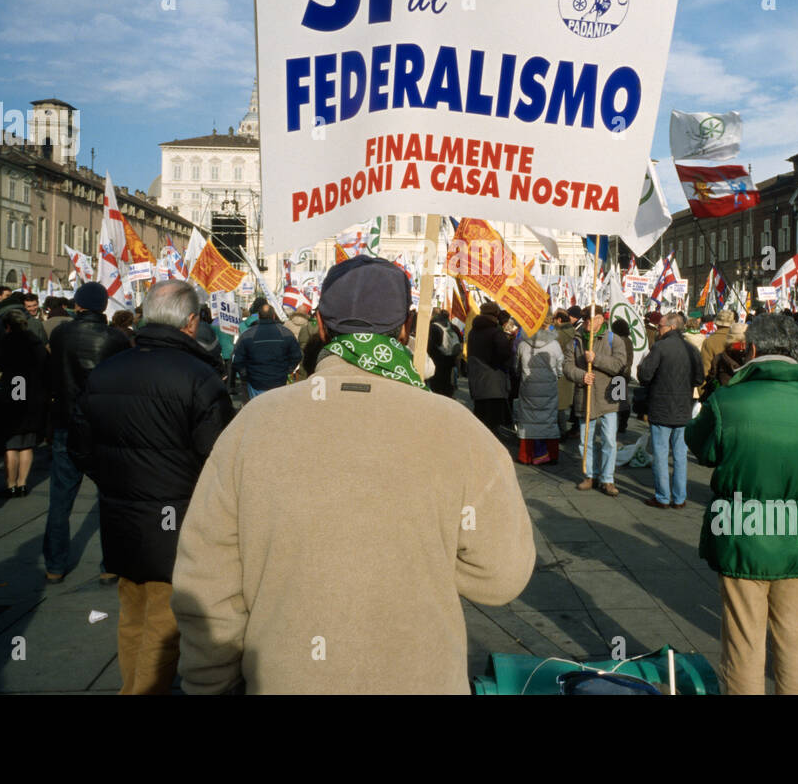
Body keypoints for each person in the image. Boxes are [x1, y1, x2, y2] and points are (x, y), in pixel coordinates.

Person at [169, 257, 534, 694]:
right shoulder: (459, 430)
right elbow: (502, 576)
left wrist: (206, 684)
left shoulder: (253, 425)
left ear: (321, 327)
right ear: (403, 330)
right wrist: (425, 552)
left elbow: (207, 583)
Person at [70, 280, 234, 694]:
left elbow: (79, 447)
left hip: (122, 515)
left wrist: (117, 481)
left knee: (134, 615)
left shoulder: (108, 369)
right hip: (178, 519)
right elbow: (220, 460)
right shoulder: (200, 377)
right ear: (192, 322)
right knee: (165, 623)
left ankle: (134, 686)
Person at [687, 313, 798, 694]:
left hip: (743, 531)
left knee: (744, 642)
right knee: (797, 639)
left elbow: (701, 446)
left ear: (751, 350)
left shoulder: (729, 400)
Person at [44, 282, 132, 584]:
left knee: (60, 499)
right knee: (109, 498)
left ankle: (54, 566)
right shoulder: (115, 339)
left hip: (66, 422)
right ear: (104, 306)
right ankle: (110, 564)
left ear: (78, 305)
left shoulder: (60, 334)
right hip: (103, 424)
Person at [638, 313, 704, 509]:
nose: (658, 329)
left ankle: (663, 497)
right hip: (683, 408)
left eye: (660, 326)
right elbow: (699, 379)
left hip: (661, 408)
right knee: (680, 455)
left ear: (672, 327)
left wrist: (643, 369)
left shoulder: (660, 347)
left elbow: (645, 375)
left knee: (660, 453)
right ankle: (679, 497)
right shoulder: (691, 350)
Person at [563, 310, 632, 496]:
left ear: (600, 319)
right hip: (585, 397)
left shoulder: (613, 339)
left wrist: (596, 359)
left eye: (590, 319)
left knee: (609, 440)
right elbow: (567, 366)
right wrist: (581, 375)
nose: (586, 322)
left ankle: (607, 479)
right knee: (585, 441)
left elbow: (619, 364)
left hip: (608, 398)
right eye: (584, 319)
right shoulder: (576, 340)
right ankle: (589, 475)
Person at [0, 309, 48, 498]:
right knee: (27, 444)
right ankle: (22, 484)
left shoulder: (4, 343)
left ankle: (10, 484)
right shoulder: (35, 343)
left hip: (9, 398)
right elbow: (45, 368)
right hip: (32, 398)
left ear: (8, 326)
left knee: (10, 445)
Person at [515, 323, 563, 465]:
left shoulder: (523, 344)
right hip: (549, 387)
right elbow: (560, 368)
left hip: (528, 387)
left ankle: (526, 455)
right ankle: (550, 454)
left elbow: (516, 367)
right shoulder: (555, 345)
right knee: (548, 419)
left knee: (528, 419)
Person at [232, 303, 303, 399]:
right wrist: (288, 370)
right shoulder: (286, 332)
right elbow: (297, 355)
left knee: (257, 411)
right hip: (278, 382)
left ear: (259, 316)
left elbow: (237, 360)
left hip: (256, 382)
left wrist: (245, 375)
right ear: (274, 316)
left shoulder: (247, 334)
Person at [466, 301, 513, 434]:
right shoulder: (495, 332)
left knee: (480, 419)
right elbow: (504, 354)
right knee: (493, 422)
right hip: (494, 381)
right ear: (496, 314)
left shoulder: (473, 331)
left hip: (477, 380)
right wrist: (509, 343)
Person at [553, 310, 578, 436]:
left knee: (558, 406)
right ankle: (564, 430)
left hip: (560, 371)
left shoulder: (559, 334)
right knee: (561, 405)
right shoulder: (574, 331)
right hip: (569, 370)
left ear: (558, 320)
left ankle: (561, 432)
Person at [426, 308, 460, 397]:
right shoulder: (454, 327)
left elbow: (429, 346)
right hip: (450, 363)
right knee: (447, 387)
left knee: (435, 390)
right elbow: (459, 344)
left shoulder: (432, 327)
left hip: (435, 362)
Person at [699, 308, 735, 374]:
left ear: (716, 323)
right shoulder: (739, 340)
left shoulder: (709, 342)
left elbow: (705, 369)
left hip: (716, 382)